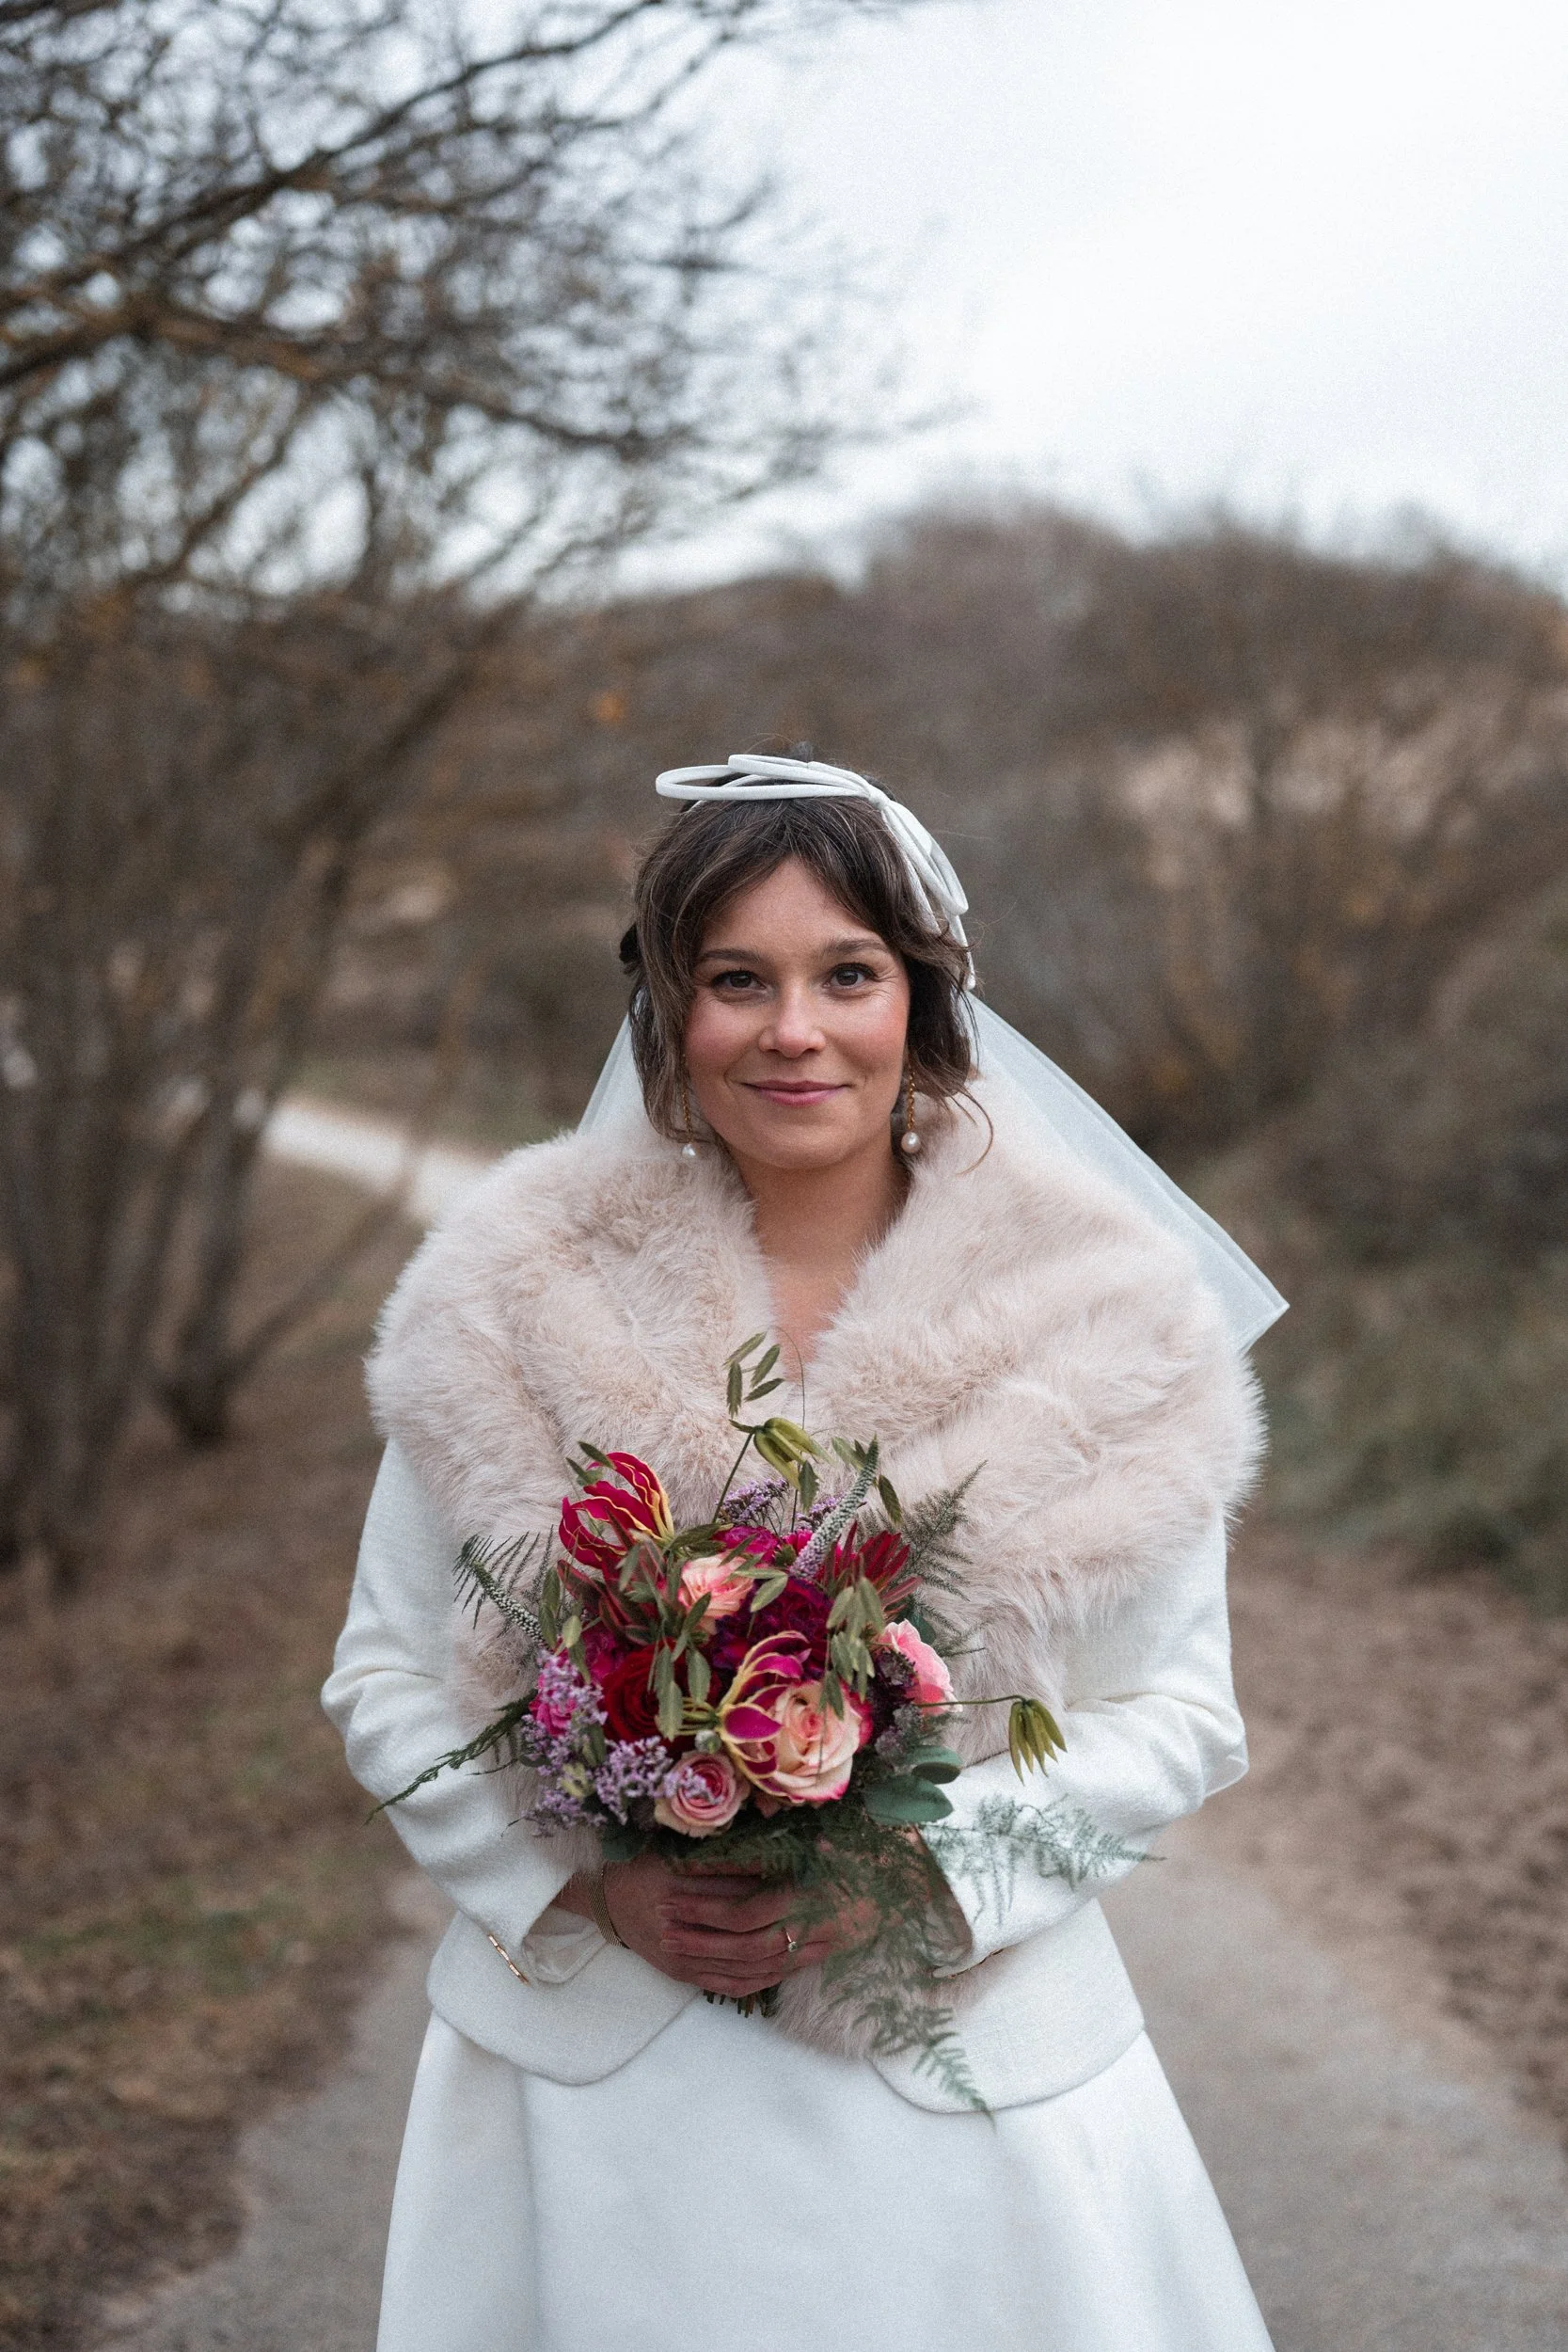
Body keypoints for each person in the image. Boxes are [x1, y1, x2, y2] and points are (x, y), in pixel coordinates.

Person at [324, 753, 1285, 2352]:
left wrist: (919, 1874)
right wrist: (588, 1885)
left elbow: (1180, 1717)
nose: (793, 1030)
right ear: (666, 1010)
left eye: (847, 974)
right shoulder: (510, 1293)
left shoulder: (1112, 1320)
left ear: (924, 998)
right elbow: (383, 1675)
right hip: (596, 2100)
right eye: (735, 980)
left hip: (969, 2097)